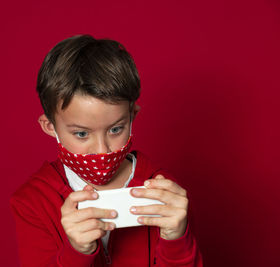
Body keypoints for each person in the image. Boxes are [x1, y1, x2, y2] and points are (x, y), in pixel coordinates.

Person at [10, 34, 203, 266]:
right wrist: (77, 251)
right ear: (50, 127)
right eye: (81, 134)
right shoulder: (33, 202)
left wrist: (176, 240)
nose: (101, 150)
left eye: (115, 129)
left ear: (132, 117)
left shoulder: (164, 191)